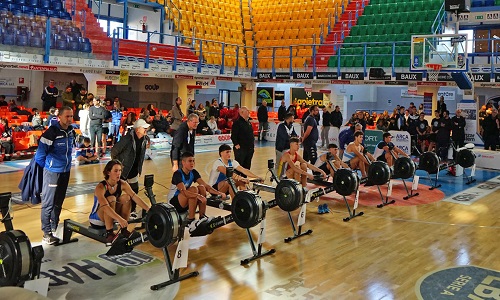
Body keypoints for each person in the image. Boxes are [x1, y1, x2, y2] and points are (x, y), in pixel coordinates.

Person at [35, 106, 75, 245]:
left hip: (66, 172)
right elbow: (39, 157)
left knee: (59, 202)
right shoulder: (50, 133)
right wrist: (50, 167)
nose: (70, 119)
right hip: (52, 173)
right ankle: (46, 233)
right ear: (60, 117)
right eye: (67, 116)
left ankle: (54, 228)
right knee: (48, 203)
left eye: (71, 116)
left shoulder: (71, 131)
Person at [89, 160, 151, 244]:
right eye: (115, 171)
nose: (118, 173)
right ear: (108, 172)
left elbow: (135, 197)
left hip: (111, 214)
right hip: (97, 219)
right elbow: (105, 207)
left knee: (127, 197)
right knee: (111, 199)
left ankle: (124, 230)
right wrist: (119, 219)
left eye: (120, 170)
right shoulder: (101, 187)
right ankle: (109, 232)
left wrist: (149, 209)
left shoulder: (122, 184)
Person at [168, 152, 226, 223]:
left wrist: (219, 193)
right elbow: (184, 192)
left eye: (193, 161)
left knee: (201, 187)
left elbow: (206, 186)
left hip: (184, 201)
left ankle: (202, 217)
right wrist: (198, 196)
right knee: (193, 189)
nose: (192, 163)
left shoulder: (193, 172)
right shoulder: (177, 174)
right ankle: (191, 219)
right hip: (173, 204)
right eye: (190, 161)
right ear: (183, 162)